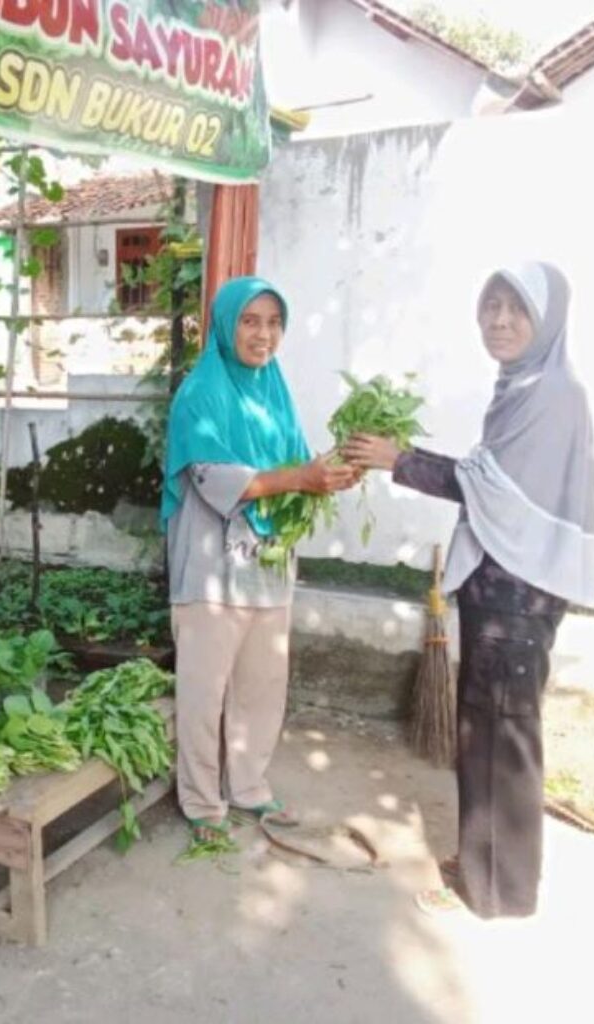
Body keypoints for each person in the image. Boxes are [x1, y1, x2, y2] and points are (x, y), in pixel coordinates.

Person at [343, 261, 594, 918]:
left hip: (517, 599)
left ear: (546, 321)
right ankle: (489, 873)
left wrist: (397, 459)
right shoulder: (522, 388)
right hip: (504, 593)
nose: (500, 321)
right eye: (491, 306)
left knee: (503, 739)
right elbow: (493, 482)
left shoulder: (551, 396)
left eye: (516, 309)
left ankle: (497, 894)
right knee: (487, 733)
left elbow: (487, 487)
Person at [161, 275, 357, 847]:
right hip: (212, 570)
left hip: (268, 563)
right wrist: (301, 476)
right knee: (203, 692)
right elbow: (213, 477)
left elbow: (297, 461)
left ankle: (248, 785)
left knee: (261, 685)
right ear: (226, 325)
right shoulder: (201, 394)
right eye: (250, 321)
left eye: (273, 323)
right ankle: (201, 800)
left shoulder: (274, 389)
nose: (263, 334)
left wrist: (335, 470)